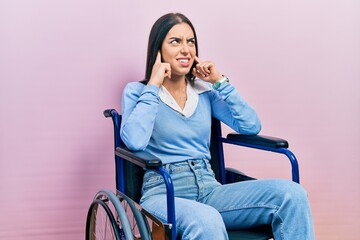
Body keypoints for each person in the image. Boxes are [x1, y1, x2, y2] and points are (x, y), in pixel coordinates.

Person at [120, 12, 314, 240]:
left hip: (209, 187)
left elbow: (250, 125)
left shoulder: (205, 92)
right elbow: (134, 141)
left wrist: (219, 82)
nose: (186, 49)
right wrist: (153, 85)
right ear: (158, 50)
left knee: (293, 195)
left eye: (190, 42)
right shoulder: (138, 91)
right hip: (164, 191)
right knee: (207, 219)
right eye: (175, 42)